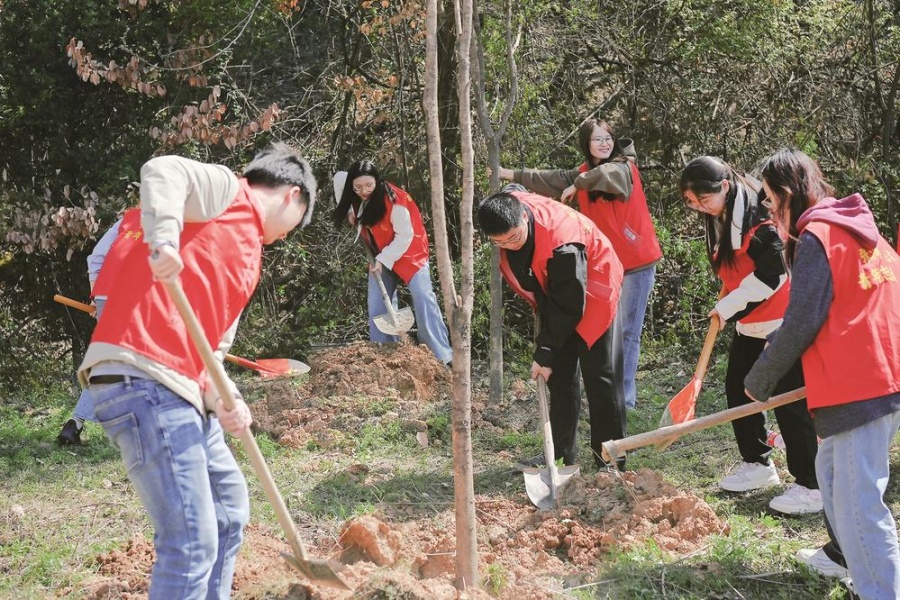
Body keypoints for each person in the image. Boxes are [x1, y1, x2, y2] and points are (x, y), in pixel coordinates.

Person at [77, 142, 317, 599]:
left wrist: (227, 400)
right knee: (191, 542)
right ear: (292, 195)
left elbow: (214, 349)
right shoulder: (228, 192)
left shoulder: (249, 262)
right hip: (144, 376)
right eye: (295, 224)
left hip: (183, 390)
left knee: (229, 511)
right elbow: (163, 168)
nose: (286, 235)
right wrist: (164, 238)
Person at [745, 148, 900, 599]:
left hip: (861, 383)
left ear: (789, 194)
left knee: (859, 506)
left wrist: (759, 380)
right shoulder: (853, 229)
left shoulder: (818, 236)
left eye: (772, 202)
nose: (771, 213)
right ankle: (862, 574)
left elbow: (802, 319)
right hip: (878, 373)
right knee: (832, 476)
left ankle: (881, 592)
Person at [680, 156, 821, 515]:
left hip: (780, 320)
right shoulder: (719, 214)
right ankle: (758, 465)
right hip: (749, 317)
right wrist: (728, 299)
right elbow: (733, 267)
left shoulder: (760, 218)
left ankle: (811, 484)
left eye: (702, 200)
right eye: (692, 202)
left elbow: (773, 276)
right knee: (738, 388)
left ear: (724, 188)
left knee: (790, 401)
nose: (698, 208)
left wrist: (728, 308)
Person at [494, 118, 661, 410]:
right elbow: (548, 178)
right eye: (597, 140)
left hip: (636, 264)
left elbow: (608, 174)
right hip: (605, 267)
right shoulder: (583, 172)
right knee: (603, 331)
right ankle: (611, 395)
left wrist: (577, 184)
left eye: (608, 138)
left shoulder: (625, 168)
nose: (604, 144)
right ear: (586, 144)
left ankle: (626, 400)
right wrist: (508, 173)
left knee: (627, 334)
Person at [476, 184, 626, 470]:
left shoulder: (563, 243)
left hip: (595, 285)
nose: (510, 246)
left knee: (600, 377)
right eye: (501, 243)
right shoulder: (508, 206)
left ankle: (610, 459)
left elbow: (570, 305)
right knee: (559, 376)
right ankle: (559, 454)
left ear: (523, 217)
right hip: (555, 288)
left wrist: (544, 351)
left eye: (513, 238)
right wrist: (550, 355)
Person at [332, 161, 452, 364]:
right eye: (358, 187)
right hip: (379, 251)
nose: (364, 191)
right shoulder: (351, 186)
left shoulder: (396, 202)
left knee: (423, 297)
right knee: (377, 303)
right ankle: (384, 354)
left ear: (377, 181)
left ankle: (441, 356)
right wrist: (351, 212)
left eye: (369, 185)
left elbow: (405, 236)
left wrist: (383, 259)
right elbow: (338, 178)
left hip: (409, 250)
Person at [56, 211, 133, 445]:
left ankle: (76, 423)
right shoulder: (172, 224)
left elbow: (95, 258)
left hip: (106, 296)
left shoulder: (127, 221)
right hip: (135, 297)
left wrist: (97, 296)